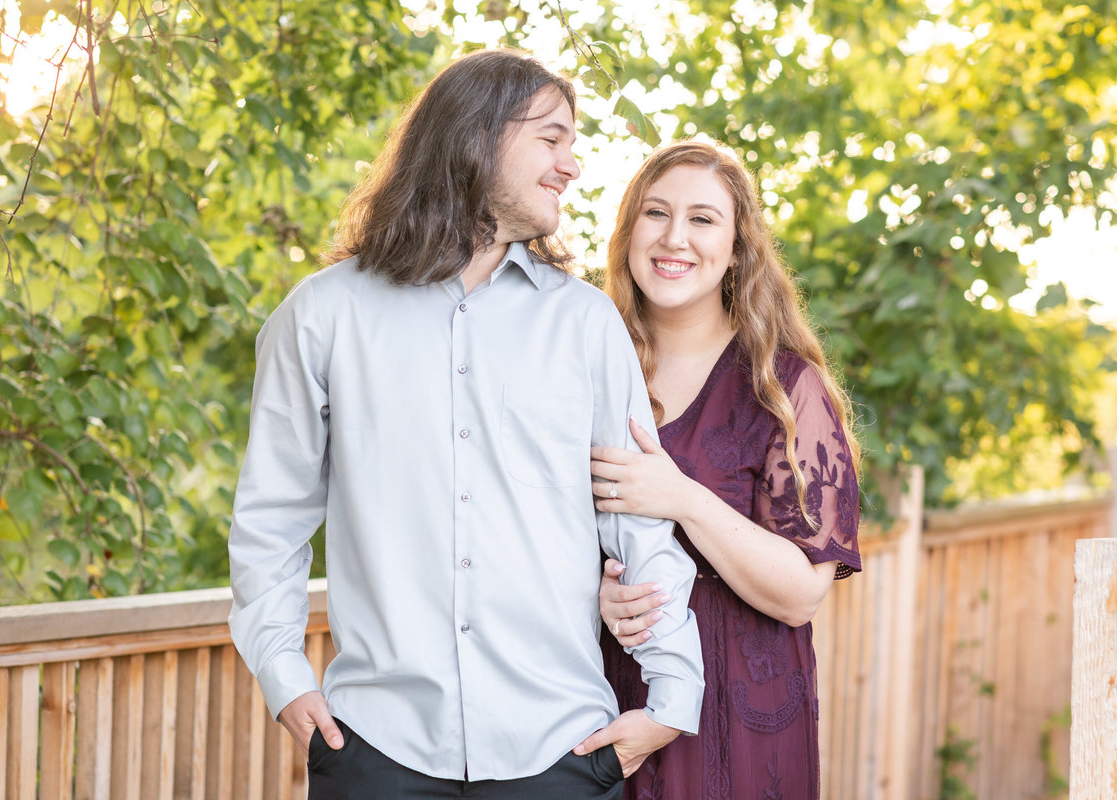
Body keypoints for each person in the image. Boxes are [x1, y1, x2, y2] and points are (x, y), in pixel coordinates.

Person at [226, 49, 704, 800]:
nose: (570, 166)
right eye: (552, 138)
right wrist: (285, 679)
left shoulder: (584, 324)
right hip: (374, 749)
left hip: (563, 753)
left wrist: (673, 699)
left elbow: (636, 519)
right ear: (477, 136)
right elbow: (271, 522)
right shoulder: (321, 316)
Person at [589, 139, 861, 800]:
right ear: (629, 233)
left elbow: (801, 592)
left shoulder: (787, 390)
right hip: (601, 700)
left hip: (745, 717)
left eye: (703, 219)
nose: (674, 237)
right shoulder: (584, 369)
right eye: (655, 213)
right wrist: (595, 595)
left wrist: (681, 498)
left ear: (737, 247)